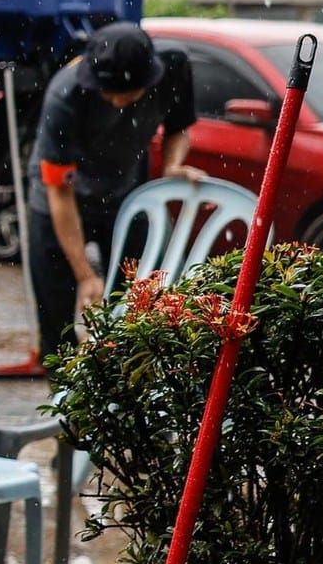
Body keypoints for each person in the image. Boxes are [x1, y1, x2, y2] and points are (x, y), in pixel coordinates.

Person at [28, 21, 197, 358]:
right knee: (57, 318)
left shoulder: (174, 67)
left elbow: (179, 128)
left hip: (125, 198)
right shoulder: (64, 96)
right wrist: (85, 274)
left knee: (136, 307)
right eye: (110, 93)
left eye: (129, 93)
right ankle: (64, 392)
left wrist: (172, 165)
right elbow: (59, 191)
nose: (119, 102)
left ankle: (121, 385)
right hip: (60, 201)